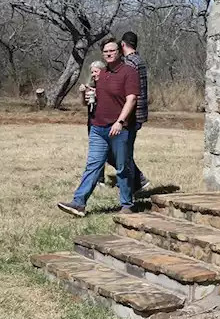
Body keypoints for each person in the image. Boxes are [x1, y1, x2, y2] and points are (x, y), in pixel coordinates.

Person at [57, 38, 139, 217]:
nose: (109, 54)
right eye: (106, 52)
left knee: (122, 167)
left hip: (119, 129)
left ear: (119, 51)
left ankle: (127, 205)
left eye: (112, 50)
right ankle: (78, 203)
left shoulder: (129, 72)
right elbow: (89, 103)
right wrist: (84, 95)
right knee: (93, 166)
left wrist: (120, 121)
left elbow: (131, 99)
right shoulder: (101, 74)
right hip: (98, 128)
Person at [117, 31, 151, 193]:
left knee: (122, 150)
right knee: (125, 149)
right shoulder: (140, 61)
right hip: (140, 113)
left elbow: (127, 91)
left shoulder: (129, 63)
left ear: (123, 44)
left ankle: (137, 181)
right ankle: (135, 181)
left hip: (131, 114)